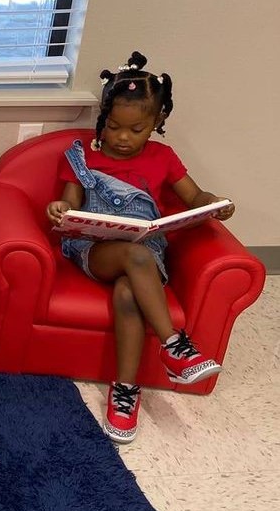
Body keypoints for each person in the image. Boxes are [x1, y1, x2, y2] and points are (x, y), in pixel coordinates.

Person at [46, 51, 236, 445]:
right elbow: (69, 202)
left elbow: (194, 195)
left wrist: (213, 204)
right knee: (135, 254)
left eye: (136, 129)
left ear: (157, 122)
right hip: (95, 251)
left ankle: (125, 391)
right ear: (103, 117)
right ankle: (174, 346)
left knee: (129, 292)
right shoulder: (84, 155)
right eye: (114, 126)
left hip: (146, 256)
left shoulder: (163, 158)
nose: (122, 138)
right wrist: (62, 209)